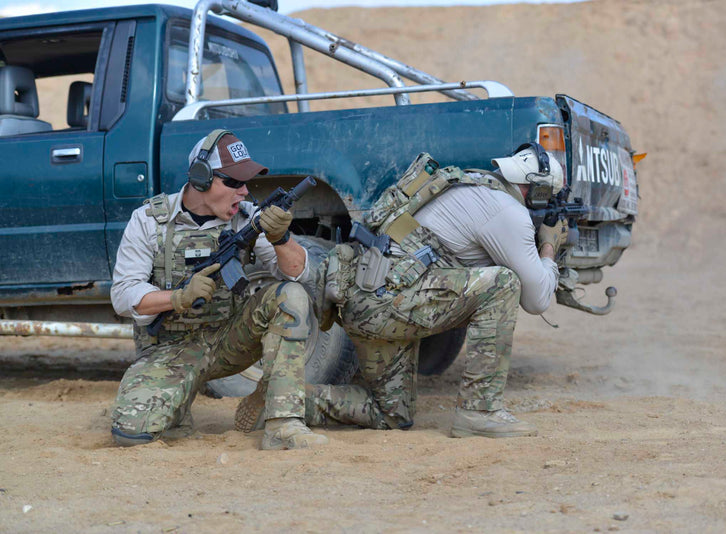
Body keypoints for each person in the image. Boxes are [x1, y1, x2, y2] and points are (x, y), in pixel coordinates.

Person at [236, 141, 570, 439]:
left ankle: (285, 399)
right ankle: (480, 412)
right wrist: (549, 247)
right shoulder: (508, 211)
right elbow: (537, 299)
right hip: (393, 302)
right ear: (537, 190)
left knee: (390, 414)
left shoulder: (465, 184)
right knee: (502, 284)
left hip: (367, 298)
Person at [109, 129, 327, 450]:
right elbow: (122, 296)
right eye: (234, 182)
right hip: (171, 350)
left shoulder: (247, 218)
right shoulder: (149, 221)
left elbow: (299, 273)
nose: (243, 191)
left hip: (230, 341)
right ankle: (176, 405)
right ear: (201, 179)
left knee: (289, 296)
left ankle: (283, 422)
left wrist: (281, 238)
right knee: (132, 433)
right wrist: (178, 298)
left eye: (246, 182)